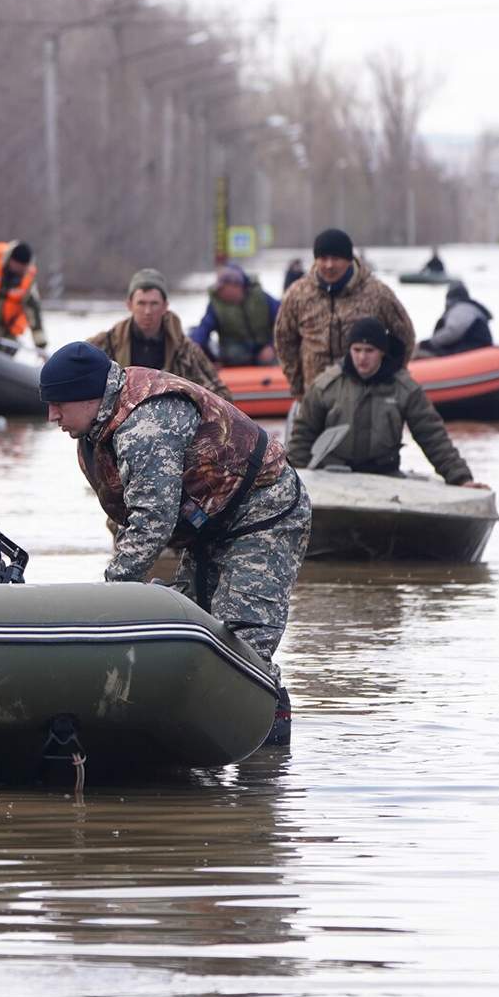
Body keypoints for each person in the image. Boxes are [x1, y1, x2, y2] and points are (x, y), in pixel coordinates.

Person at [42, 342, 309, 746]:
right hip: (209, 526)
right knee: (189, 629)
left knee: (241, 639)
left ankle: (266, 755)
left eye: (58, 404)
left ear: (87, 395)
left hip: (262, 512)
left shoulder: (146, 423)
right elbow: (127, 515)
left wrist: (110, 593)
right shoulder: (96, 433)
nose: (52, 416)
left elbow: (153, 519)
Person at [287, 318, 486, 488]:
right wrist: (294, 481)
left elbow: (432, 436)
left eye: (369, 350)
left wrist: (461, 478)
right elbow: (302, 437)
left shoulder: (405, 388)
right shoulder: (325, 386)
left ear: (382, 352)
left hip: (385, 476)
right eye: (357, 350)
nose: (362, 357)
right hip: (331, 474)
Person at [272, 228, 414, 398]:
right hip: (316, 396)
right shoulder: (297, 294)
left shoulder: (377, 293)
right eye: (323, 258)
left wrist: (388, 375)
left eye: (336, 258)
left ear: (348, 260)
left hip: (365, 396)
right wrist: (297, 386)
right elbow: (284, 340)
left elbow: (404, 335)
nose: (329, 265)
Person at [87, 268, 233, 399]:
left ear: (165, 306)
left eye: (154, 303)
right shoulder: (106, 345)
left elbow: (221, 395)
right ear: (130, 305)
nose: (148, 311)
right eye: (141, 303)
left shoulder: (185, 352)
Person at [191, 264, 281, 367]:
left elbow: (282, 324)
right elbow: (204, 328)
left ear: (237, 286)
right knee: (235, 353)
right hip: (235, 358)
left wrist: (272, 347)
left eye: (223, 287)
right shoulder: (215, 306)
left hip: (266, 353)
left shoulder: (263, 299)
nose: (220, 291)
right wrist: (195, 346)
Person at [418, 282, 494, 357]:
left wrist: (429, 343)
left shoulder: (461, 309)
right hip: (469, 350)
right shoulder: (468, 309)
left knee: (422, 352)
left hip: (471, 349)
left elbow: (453, 331)